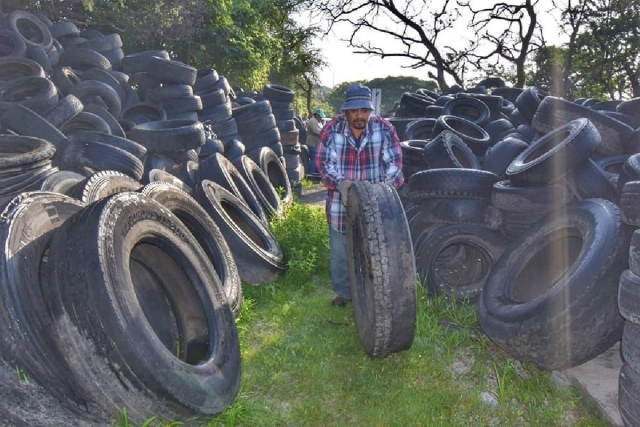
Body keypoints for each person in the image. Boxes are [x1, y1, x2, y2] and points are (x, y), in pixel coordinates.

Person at [315, 83, 404, 307]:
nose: (359, 116)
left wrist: (384, 190)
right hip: (340, 202)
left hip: (375, 204)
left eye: (364, 111)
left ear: (369, 111)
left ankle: (375, 291)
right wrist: (341, 183)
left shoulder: (384, 129)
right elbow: (324, 164)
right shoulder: (331, 130)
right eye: (354, 111)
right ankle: (344, 293)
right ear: (346, 111)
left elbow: (394, 164)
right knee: (341, 252)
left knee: (374, 249)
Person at [306, 108, 325, 176]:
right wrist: (324, 132)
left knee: (317, 158)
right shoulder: (313, 121)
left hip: (316, 143)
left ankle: (316, 173)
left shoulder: (317, 122)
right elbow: (315, 131)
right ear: (317, 115)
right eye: (320, 116)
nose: (321, 118)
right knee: (313, 158)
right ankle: (311, 174)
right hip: (312, 143)